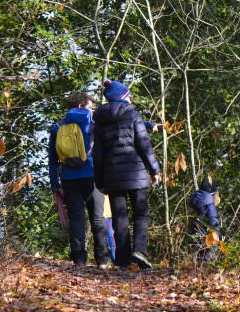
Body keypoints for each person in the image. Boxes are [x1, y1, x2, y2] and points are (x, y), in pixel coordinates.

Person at [93, 79, 161, 269]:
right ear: (122, 96)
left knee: (119, 217)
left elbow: (97, 153)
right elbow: (144, 144)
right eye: (128, 95)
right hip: (136, 172)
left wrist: (99, 181)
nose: (130, 98)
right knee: (141, 214)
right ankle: (139, 251)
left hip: (112, 177)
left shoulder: (99, 119)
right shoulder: (132, 114)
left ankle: (122, 260)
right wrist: (154, 170)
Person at [48, 91, 110, 268]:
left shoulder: (57, 127)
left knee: (76, 219)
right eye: (91, 105)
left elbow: (53, 160)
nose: (93, 108)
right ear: (82, 106)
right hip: (93, 176)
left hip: (69, 179)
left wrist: (55, 185)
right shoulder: (94, 123)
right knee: (98, 218)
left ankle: (79, 260)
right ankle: (103, 260)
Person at [189, 175, 222, 263]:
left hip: (194, 232)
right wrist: (219, 236)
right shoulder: (209, 202)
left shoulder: (195, 197)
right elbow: (213, 221)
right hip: (207, 234)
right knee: (208, 257)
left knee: (197, 255)